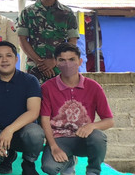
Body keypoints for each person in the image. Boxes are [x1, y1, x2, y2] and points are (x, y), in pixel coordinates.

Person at [40, 43, 114, 175]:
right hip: (59, 139)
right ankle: (68, 161)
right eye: (62, 60)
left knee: (98, 137)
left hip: (83, 139)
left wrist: (91, 126)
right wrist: (53, 146)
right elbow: (44, 119)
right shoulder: (47, 88)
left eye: (72, 59)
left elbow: (109, 121)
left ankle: (93, 171)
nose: (67, 64)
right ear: (56, 62)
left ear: (80, 61)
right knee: (49, 167)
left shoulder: (94, 87)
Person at [0, 41, 43, 175]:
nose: (4, 60)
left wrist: (9, 130)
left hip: (23, 131)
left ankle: (28, 162)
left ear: (16, 59)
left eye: (9, 55)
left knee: (35, 134)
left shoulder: (30, 80)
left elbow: (33, 112)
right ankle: (7, 156)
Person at [17, 0, 79, 83]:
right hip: (35, 69)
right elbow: (22, 40)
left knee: (60, 98)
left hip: (60, 67)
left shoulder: (67, 13)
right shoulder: (27, 13)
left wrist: (55, 61)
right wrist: (39, 62)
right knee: (34, 99)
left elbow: (72, 41)